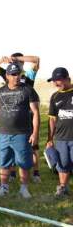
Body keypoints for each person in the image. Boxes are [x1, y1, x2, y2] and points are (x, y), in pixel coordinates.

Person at [0, 63, 40, 198]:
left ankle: (24, 189)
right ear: (7, 76)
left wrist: (35, 133)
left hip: (22, 133)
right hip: (3, 133)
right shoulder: (0, 91)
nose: (16, 77)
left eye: (18, 74)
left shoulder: (28, 90)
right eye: (13, 74)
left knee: (23, 162)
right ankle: (4, 187)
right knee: (3, 162)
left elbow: (36, 112)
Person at [47, 67, 73, 198]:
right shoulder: (55, 96)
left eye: (59, 80)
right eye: (54, 81)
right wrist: (50, 139)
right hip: (61, 138)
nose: (56, 83)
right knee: (63, 164)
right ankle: (63, 188)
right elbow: (52, 120)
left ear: (67, 79)